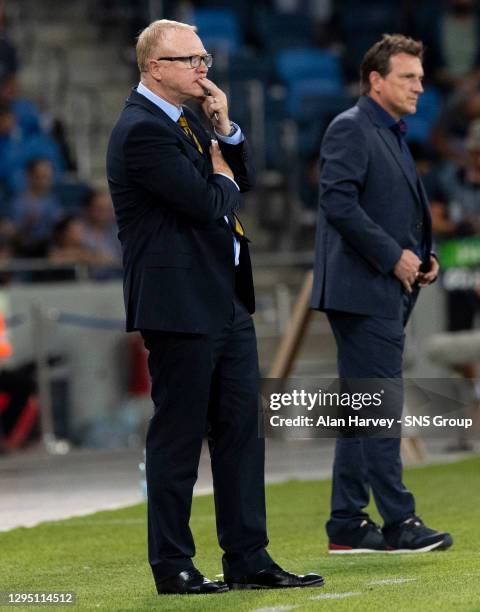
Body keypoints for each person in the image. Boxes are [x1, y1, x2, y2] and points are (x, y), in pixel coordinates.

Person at [106, 19, 323, 595]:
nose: (205, 68)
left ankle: (248, 557)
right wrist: (223, 178)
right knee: (178, 438)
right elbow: (209, 204)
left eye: (205, 58)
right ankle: (172, 564)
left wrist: (225, 129)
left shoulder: (190, 122)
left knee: (239, 433)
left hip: (224, 299)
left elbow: (238, 179)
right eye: (192, 59)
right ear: (156, 67)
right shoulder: (142, 131)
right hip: (178, 305)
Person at [311, 34, 453, 554]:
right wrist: (394, 256)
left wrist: (421, 255)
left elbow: (391, 207)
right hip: (361, 289)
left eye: (419, 76)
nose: (420, 85)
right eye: (408, 77)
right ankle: (399, 521)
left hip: (377, 287)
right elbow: (338, 203)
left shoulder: (388, 131)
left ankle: (347, 522)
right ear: (376, 80)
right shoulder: (351, 128)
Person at [431, 118, 480, 435]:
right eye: (475, 152)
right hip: (458, 273)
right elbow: (433, 217)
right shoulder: (448, 179)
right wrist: (454, 228)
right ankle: (474, 397)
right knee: (457, 345)